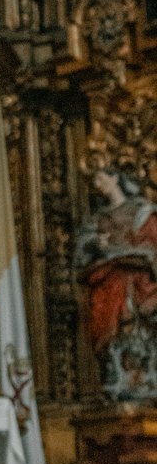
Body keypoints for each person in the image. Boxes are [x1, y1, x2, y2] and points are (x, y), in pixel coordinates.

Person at [76, 169, 157, 400]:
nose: (98, 184)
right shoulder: (98, 219)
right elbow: (82, 250)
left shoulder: (141, 211)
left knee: (138, 329)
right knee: (111, 332)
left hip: (139, 281)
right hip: (109, 283)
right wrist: (95, 244)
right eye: (94, 181)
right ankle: (118, 376)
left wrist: (137, 254)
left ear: (115, 178)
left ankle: (143, 377)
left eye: (100, 178)